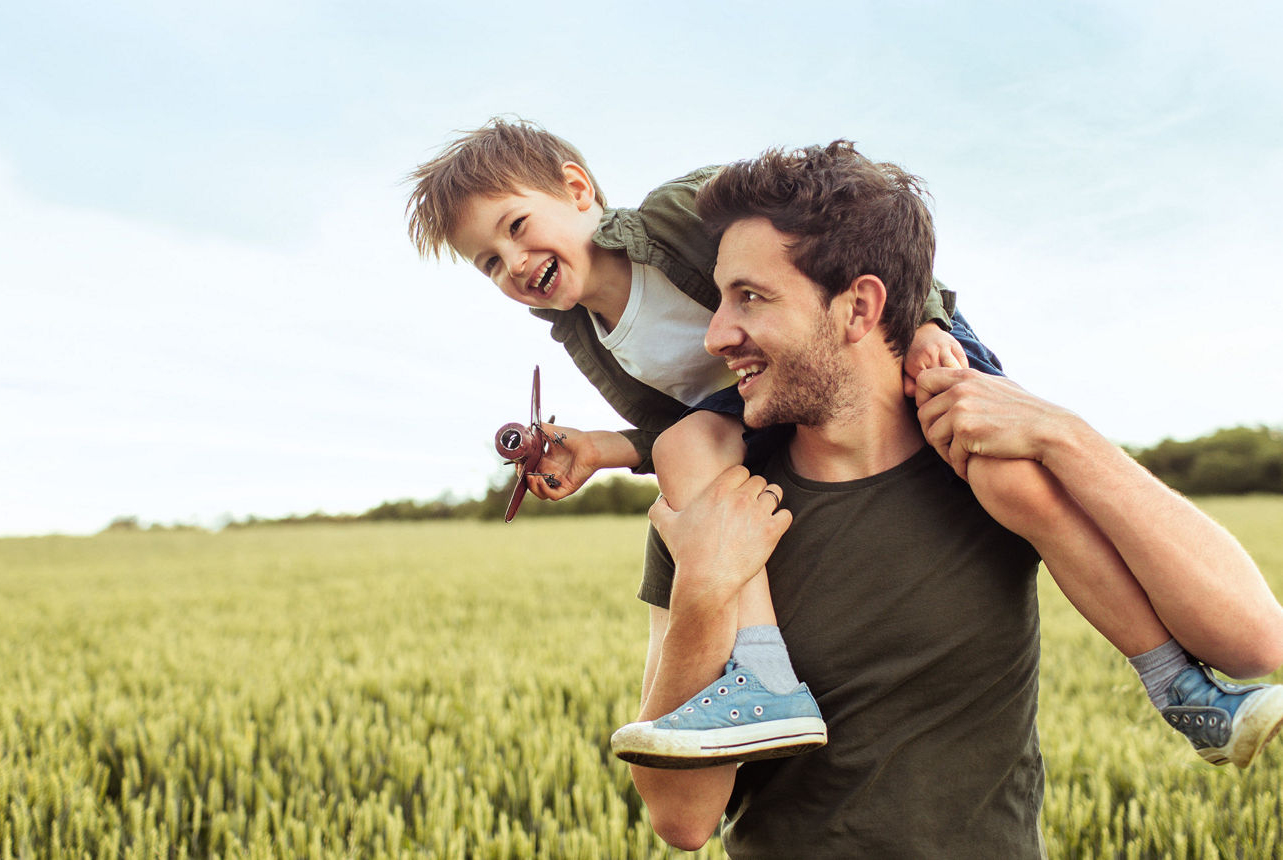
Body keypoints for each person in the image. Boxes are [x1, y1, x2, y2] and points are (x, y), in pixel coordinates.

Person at [405, 118, 1283, 771]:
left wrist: (929, 323)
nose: (513, 264)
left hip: (896, 341)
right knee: (682, 453)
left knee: (1018, 491)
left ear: (576, 187)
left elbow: (853, 248)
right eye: (488, 263)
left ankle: (1177, 684)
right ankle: (763, 680)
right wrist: (600, 449)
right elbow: (678, 427)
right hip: (769, 404)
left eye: (516, 228)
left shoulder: (682, 214)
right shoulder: (581, 338)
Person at [623, 141, 1283, 855]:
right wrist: (704, 586)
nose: (717, 335)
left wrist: (1064, 435)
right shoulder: (717, 500)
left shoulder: (989, 469)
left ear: (859, 307)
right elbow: (681, 819)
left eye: (749, 296)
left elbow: (1256, 642)